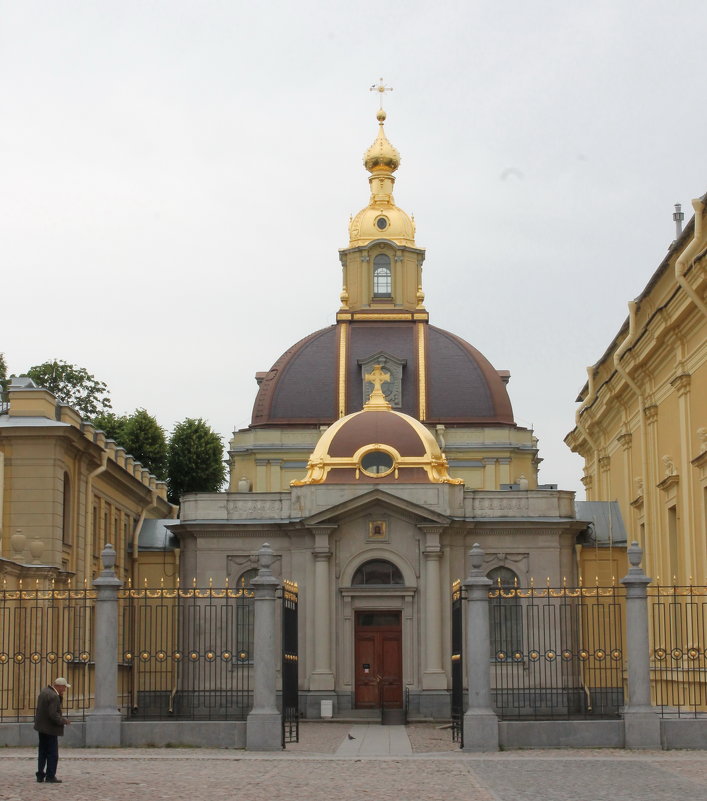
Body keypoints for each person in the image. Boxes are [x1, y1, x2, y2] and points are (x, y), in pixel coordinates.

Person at [34, 677, 71, 783]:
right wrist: (63, 721)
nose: (64, 690)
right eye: (64, 688)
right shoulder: (54, 696)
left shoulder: (44, 691)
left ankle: (40, 775)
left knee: (42, 752)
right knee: (52, 753)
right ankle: (50, 776)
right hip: (50, 729)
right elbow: (53, 714)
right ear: (59, 686)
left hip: (41, 727)